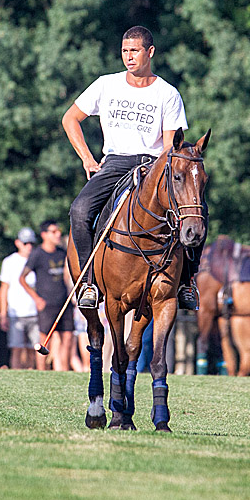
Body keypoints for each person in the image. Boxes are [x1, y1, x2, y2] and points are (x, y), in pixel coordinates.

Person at [61, 25, 199, 311]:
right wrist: (87, 158)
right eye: (124, 51)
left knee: (195, 210)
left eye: (134, 50)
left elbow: (171, 143)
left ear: (150, 52)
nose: (128, 56)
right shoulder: (106, 84)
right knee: (79, 210)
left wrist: (160, 170)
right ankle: (88, 283)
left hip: (154, 164)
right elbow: (70, 119)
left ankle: (187, 282)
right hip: (115, 162)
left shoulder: (167, 93)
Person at [21, 220, 74, 371]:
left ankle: (64, 371)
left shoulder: (61, 252)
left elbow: (66, 276)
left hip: (64, 302)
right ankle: (41, 371)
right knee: (44, 340)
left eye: (58, 231)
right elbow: (22, 278)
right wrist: (36, 298)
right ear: (44, 234)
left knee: (68, 337)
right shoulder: (37, 254)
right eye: (53, 232)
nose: (58, 234)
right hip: (46, 303)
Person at [0, 227, 45, 370]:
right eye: (25, 243)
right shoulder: (9, 262)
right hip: (16, 314)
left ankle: (31, 376)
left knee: (34, 349)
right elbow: (4, 289)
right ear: (17, 243)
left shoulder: (38, 259)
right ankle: (15, 376)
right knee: (16, 348)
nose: (29, 246)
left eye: (32, 243)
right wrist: (3, 314)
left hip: (35, 312)